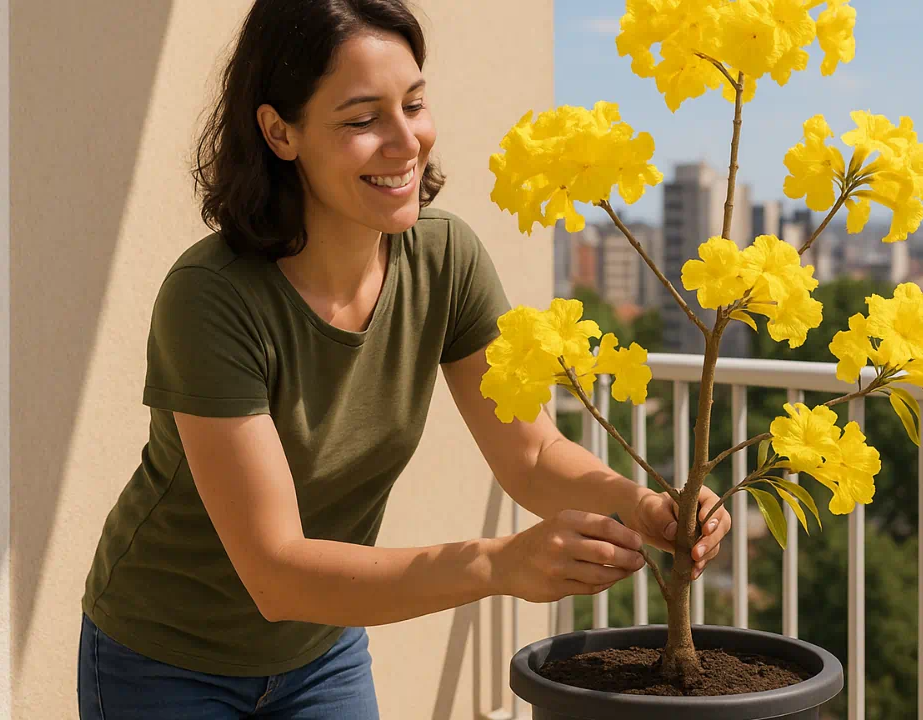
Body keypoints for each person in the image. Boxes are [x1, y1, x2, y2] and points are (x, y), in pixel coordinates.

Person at [75, 1, 732, 717]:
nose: (405, 142)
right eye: (362, 119)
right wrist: (496, 564)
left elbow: (533, 453)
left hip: (320, 655)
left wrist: (638, 505)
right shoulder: (211, 300)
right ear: (279, 131)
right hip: (165, 662)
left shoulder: (444, 260)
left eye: (413, 104)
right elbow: (277, 573)